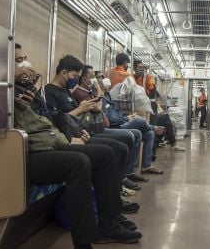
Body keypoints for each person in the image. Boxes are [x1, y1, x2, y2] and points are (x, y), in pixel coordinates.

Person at [14, 66, 141, 247]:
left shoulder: (33, 94)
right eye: (18, 61)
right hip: (27, 151)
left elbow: (50, 119)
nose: (24, 67)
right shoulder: (4, 92)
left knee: (105, 154)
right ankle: (84, 242)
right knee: (79, 163)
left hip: (51, 141)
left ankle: (109, 222)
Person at [43, 56, 137, 197]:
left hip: (81, 131)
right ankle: (113, 192)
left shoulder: (66, 91)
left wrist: (82, 127)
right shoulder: (49, 92)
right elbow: (57, 120)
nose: (76, 79)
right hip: (70, 136)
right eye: (75, 75)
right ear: (64, 73)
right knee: (114, 148)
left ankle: (117, 186)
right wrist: (81, 109)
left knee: (123, 145)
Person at [73, 65, 143, 192]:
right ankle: (121, 178)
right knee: (131, 133)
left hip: (103, 126)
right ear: (84, 79)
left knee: (140, 132)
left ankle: (128, 172)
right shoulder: (81, 93)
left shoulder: (95, 93)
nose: (98, 79)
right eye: (94, 77)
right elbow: (99, 108)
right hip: (94, 130)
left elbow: (110, 109)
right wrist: (99, 89)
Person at [100, 73, 164, 175]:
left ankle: (146, 166)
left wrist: (126, 118)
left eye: (103, 77)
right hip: (115, 126)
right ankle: (128, 172)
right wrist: (126, 118)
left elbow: (116, 112)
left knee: (149, 134)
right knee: (139, 121)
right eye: (100, 77)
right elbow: (111, 119)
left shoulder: (108, 96)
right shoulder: (99, 99)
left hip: (120, 121)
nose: (104, 80)